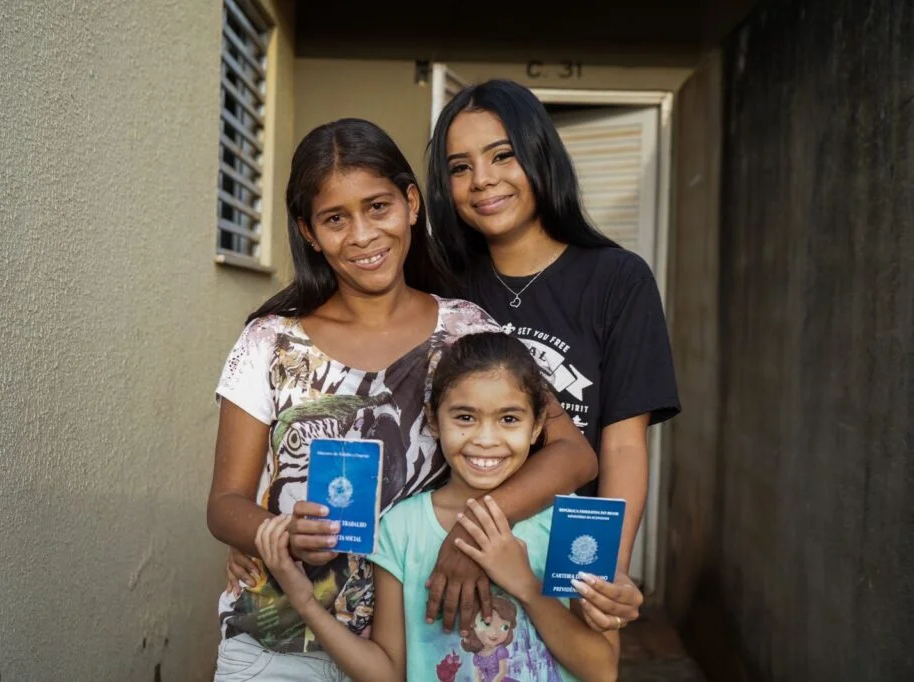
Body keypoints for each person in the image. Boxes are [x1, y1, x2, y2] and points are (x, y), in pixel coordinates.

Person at [207, 118, 598, 680]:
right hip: (280, 642)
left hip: (425, 645)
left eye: (378, 207)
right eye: (335, 219)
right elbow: (225, 502)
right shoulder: (269, 342)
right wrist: (277, 532)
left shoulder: (465, 331)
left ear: (412, 203)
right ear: (309, 232)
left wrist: (472, 532)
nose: (363, 235)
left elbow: (573, 453)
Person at [426, 79, 681, 633]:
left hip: (563, 560)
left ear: (540, 154)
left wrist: (609, 565)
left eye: (502, 155)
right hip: (443, 560)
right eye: (460, 167)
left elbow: (620, 443)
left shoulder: (617, 279)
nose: (483, 180)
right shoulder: (439, 284)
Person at [255, 332, 620, 682]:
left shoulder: (573, 523)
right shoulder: (401, 528)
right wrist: (305, 603)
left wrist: (525, 585)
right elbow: (388, 672)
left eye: (509, 419)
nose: (486, 439)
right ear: (433, 419)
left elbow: (603, 670)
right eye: (465, 417)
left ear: (538, 424)